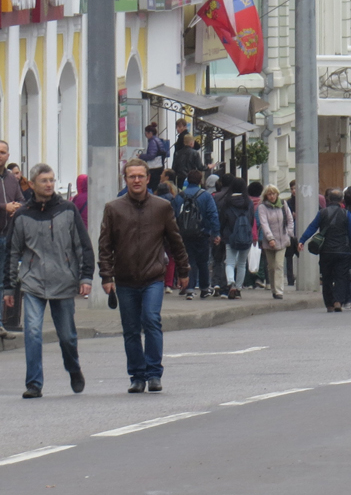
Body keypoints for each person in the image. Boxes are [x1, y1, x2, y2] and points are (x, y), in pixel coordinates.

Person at [99, 159, 190, 394]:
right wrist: (106, 276)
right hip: (125, 279)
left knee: (151, 320)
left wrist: (183, 270)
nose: (136, 180)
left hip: (153, 277)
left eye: (141, 176)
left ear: (148, 178)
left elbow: (175, 240)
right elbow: (105, 245)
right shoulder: (114, 208)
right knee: (130, 329)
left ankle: (153, 373)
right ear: (125, 179)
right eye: (132, 176)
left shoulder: (161, 207)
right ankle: (137, 376)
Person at [6, 164, 94, 399]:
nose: (49, 184)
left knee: (67, 336)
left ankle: (73, 368)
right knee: (33, 332)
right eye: (44, 180)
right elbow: (13, 252)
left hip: (63, 281)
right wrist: (8, 286)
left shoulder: (67, 210)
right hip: (33, 282)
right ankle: (34, 383)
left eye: (52, 180)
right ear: (32, 184)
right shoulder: (22, 215)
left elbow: (82, 245)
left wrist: (86, 276)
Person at [298, 189, 351, 312]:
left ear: (328, 199)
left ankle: (329, 304)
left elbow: (312, 227)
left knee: (327, 277)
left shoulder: (322, 213)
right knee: (341, 277)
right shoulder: (346, 214)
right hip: (343, 251)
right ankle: (338, 300)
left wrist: (302, 240)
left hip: (326, 251)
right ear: (341, 200)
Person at [173, 170, 220, 300]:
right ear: (200, 181)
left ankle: (189, 288)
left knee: (189, 260)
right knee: (203, 261)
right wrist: (216, 233)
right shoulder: (205, 196)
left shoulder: (180, 196)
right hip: (202, 233)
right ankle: (204, 288)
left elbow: (174, 215)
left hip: (184, 233)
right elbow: (213, 214)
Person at [0, 140, 24, 334]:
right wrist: (4, 207)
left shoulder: (11, 179)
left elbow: (22, 200)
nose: (0, 155)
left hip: (7, 236)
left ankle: (1, 322)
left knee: (3, 280)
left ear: (8, 156)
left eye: (3, 152)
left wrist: (17, 207)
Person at [256, 185, 295, 299]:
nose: (272, 196)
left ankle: (279, 291)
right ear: (266, 196)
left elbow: (290, 219)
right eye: (269, 194)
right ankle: (273, 288)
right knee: (271, 266)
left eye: (274, 194)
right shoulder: (262, 207)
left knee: (279, 265)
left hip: (283, 239)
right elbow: (264, 224)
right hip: (269, 242)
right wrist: (270, 238)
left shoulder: (283, 204)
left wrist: (289, 233)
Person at [219, 177, 253, 299]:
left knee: (230, 262)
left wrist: (221, 233)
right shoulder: (248, 202)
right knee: (242, 263)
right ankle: (238, 288)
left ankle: (231, 282)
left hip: (230, 236)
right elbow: (251, 219)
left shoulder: (227, 202)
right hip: (245, 235)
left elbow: (223, 220)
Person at [142, 123, 170, 190]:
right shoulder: (157, 140)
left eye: (146, 133)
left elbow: (151, 155)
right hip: (159, 166)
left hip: (154, 168)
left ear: (150, 133)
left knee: (152, 185)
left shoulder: (152, 142)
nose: (145, 135)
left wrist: (141, 156)